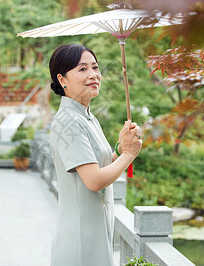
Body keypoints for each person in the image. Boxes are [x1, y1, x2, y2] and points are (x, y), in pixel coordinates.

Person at [48, 44, 142, 266]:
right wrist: (128, 155)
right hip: (79, 240)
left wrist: (121, 148)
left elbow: (102, 161)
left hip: (95, 233)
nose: (93, 75)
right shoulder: (69, 121)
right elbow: (93, 180)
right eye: (82, 69)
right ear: (62, 80)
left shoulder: (88, 117)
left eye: (95, 67)